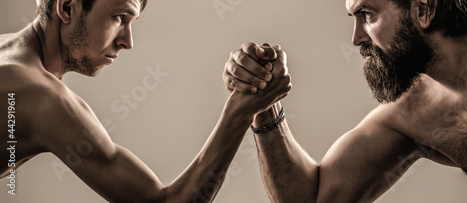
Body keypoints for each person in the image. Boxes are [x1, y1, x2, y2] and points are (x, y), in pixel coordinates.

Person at [0, 0, 291, 202]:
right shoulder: (41, 98)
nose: (127, 40)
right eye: (119, 18)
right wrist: (241, 111)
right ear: (67, 8)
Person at [223, 0, 467, 202]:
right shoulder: (410, 114)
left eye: (367, 15)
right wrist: (264, 105)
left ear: (424, 8)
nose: (355, 39)